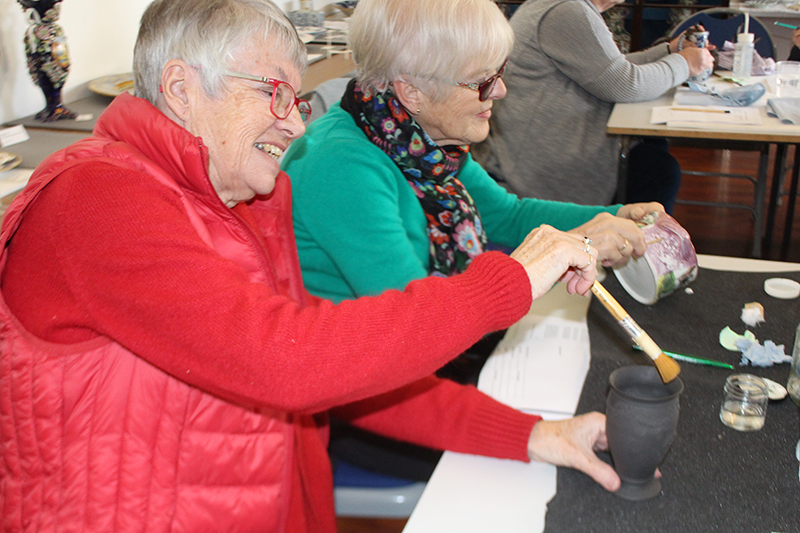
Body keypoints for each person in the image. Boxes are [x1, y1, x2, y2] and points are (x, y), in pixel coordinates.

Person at [0, 0, 623, 531]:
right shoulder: (98, 202)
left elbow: (344, 374)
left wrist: (531, 436)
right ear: (182, 89)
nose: (295, 119)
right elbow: (288, 360)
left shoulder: (238, 203)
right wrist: (511, 278)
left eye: (296, 97)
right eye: (273, 92)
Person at [281, 0, 664, 482]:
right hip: (367, 406)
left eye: (498, 73)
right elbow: (417, 330)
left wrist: (612, 216)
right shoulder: (341, 167)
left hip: (424, 365)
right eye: (482, 80)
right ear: (412, 90)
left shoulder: (414, 139)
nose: (499, 90)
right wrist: (540, 268)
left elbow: (507, 214)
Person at [471, 0, 715, 211]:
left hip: (529, 152)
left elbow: (610, 69)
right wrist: (684, 64)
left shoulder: (563, 7)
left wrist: (669, 51)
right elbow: (625, 84)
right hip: (536, 168)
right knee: (659, 170)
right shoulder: (567, 11)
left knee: (653, 149)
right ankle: (634, 259)